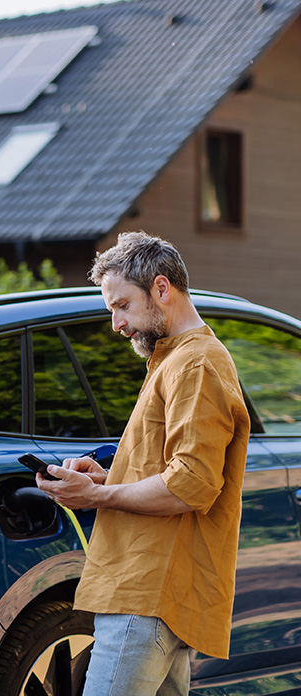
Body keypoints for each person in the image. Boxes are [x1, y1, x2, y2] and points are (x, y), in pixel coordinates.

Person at [36, 231, 250, 696]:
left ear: (161, 288)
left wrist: (97, 495)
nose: (115, 323)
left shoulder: (194, 364)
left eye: (122, 306)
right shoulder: (175, 359)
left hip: (146, 592)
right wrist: (108, 477)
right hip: (151, 591)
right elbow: (173, 470)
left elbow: (191, 484)